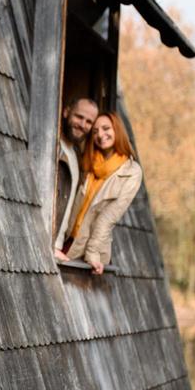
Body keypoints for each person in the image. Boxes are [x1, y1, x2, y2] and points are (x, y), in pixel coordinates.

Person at [63, 111, 142, 275]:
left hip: (91, 251)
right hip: (68, 240)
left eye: (106, 129)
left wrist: (92, 253)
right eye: (95, 131)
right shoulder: (89, 163)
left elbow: (108, 217)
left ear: (117, 131)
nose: (100, 135)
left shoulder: (131, 172)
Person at [54, 97, 99, 260]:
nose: (82, 125)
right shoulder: (52, 148)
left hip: (60, 249)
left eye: (88, 122)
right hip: (45, 246)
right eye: (79, 117)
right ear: (66, 112)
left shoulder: (78, 159)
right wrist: (48, 245)